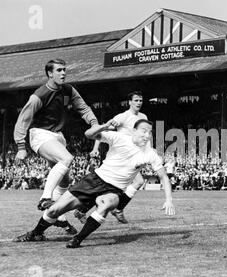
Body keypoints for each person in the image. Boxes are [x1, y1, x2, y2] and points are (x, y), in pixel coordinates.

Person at [13, 119, 176, 248]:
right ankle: (36, 233)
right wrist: (103, 126)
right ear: (134, 131)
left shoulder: (150, 154)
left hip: (114, 189)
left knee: (106, 204)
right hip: (94, 180)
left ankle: (78, 239)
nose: (147, 135)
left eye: (149, 133)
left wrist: (168, 199)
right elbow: (89, 134)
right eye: (143, 131)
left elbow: (163, 177)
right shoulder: (119, 138)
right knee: (55, 210)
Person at [13, 59, 99, 234]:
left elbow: (83, 108)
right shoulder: (39, 95)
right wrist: (21, 146)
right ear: (49, 73)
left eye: (64, 70)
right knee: (67, 158)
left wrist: (93, 122)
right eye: (59, 70)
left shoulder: (69, 90)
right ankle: (45, 198)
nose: (63, 73)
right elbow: (23, 119)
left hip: (58, 136)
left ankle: (58, 217)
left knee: (66, 180)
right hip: (40, 135)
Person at [74, 91, 149, 224]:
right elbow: (104, 130)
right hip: (119, 157)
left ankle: (88, 210)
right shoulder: (123, 117)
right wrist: (95, 148)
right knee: (114, 186)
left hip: (133, 156)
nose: (138, 103)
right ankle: (115, 209)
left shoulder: (143, 117)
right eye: (136, 100)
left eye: (140, 100)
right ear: (130, 102)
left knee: (129, 184)